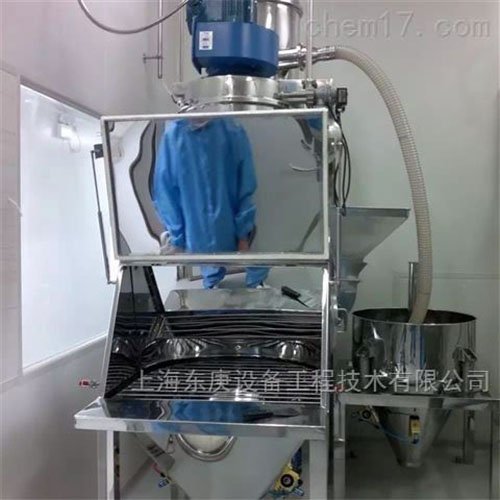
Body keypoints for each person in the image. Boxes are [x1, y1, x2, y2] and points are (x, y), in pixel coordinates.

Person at [153, 117, 269, 289]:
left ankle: (257, 281)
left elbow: (245, 182)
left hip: (229, 221)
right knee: (209, 265)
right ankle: (213, 280)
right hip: (196, 229)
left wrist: (243, 233)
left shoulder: (231, 130)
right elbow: (165, 192)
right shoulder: (173, 137)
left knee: (251, 259)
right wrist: (178, 237)